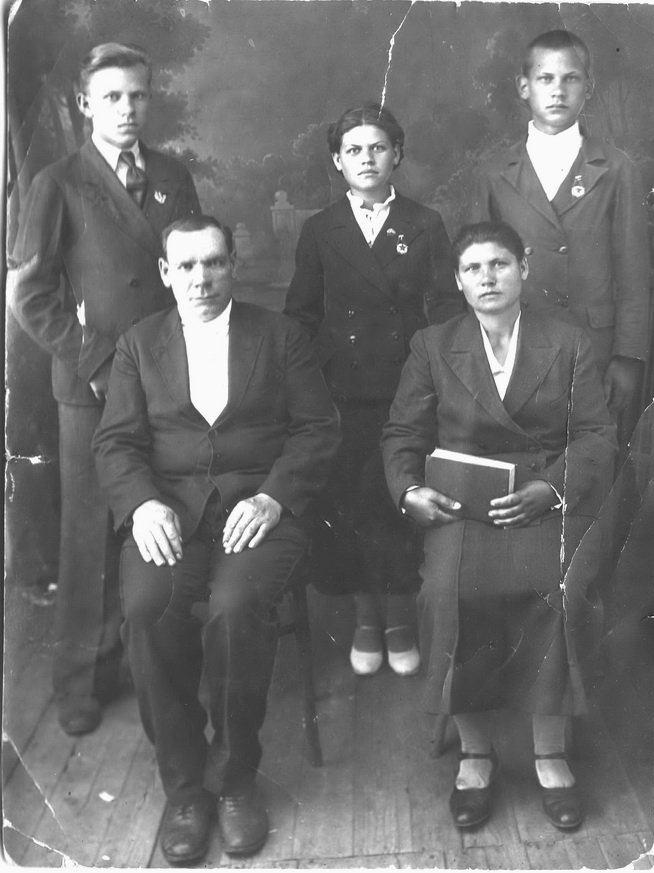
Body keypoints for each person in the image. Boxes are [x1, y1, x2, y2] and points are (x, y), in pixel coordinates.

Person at [93, 216, 341, 864]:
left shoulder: (280, 336)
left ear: (233, 265)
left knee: (235, 609)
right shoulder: (139, 343)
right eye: (186, 265)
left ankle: (234, 781)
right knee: (148, 607)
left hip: (258, 510)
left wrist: (274, 496)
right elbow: (116, 442)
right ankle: (184, 789)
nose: (200, 278)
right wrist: (142, 503)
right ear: (165, 273)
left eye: (213, 262)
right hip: (170, 511)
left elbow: (318, 428)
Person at [382, 221, 616, 831]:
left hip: (545, 496)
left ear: (524, 269)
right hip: (465, 506)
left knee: (560, 590)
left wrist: (552, 488)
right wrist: (410, 491)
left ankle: (550, 751)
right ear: (458, 281)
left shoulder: (567, 341)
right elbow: (402, 434)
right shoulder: (433, 345)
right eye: (473, 268)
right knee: (446, 593)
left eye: (500, 264)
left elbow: (596, 434)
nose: (487, 278)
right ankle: (476, 752)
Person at [9, 43, 200, 736]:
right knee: (91, 532)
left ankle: (158, 663)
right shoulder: (57, 181)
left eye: (138, 95)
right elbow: (29, 296)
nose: (127, 109)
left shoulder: (172, 175)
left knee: (162, 512)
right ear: (87, 104)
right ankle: (82, 678)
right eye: (112, 97)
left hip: (166, 375)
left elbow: (190, 266)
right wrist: (95, 360)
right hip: (91, 384)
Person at [284, 103, 463, 677]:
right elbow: (300, 318)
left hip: (407, 388)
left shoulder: (425, 222)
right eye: (354, 150)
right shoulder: (319, 229)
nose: (367, 159)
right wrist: (309, 389)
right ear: (338, 161)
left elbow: (446, 308)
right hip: (342, 391)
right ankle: (365, 616)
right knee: (352, 503)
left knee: (399, 500)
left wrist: (435, 375)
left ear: (397, 155)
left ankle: (401, 616)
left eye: (378, 148)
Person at [472, 30, 649, 422]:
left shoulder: (617, 169)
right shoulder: (494, 173)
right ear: (523, 87)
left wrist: (628, 356)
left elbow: (634, 276)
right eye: (545, 78)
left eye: (570, 78)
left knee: (590, 449)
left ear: (589, 87)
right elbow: (478, 273)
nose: (558, 91)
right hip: (515, 348)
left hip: (594, 350)